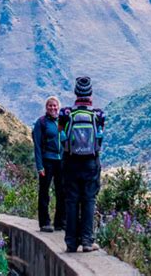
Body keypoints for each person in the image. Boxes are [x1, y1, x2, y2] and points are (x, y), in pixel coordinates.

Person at [59, 76, 105, 252]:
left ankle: (71, 242)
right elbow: (100, 136)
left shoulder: (65, 113)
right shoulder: (99, 114)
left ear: (75, 93)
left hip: (70, 162)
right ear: (91, 93)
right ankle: (87, 241)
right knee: (89, 200)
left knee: (71, 201)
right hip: (90, 163)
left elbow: (61, 133)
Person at [32, 95, 66, 232]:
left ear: (59, 107)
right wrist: (40, 166)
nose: (53, 108)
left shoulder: (62, 122)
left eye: (55, 105)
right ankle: (45, 222)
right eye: (50, 105)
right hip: (47, 161)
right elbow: (37, 146)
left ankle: (60, 223)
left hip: (61, 162)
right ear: (46, 108)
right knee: (44, 192)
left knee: (62, 192)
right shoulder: (41, 123)